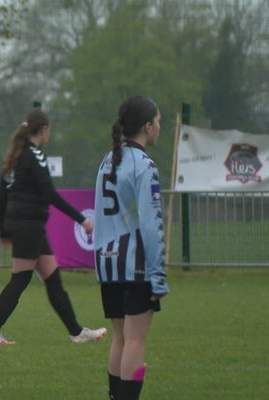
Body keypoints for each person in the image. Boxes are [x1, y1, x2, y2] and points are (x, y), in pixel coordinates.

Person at [0, 108, 107, 345]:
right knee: (20, 279)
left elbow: (1, 195)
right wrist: (81, 219)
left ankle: (76, 332)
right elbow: (49, 193)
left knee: (52, 279)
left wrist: (4, 229)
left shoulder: (15, 156)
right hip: (29, 225)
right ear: (44, 130)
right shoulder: (35, 155)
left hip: (24, 225)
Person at [93, 95, 169, 400]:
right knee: (136, 342)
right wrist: (158, 275)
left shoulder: (107, 160)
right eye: (159, 122)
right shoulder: (144, 165)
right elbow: (151, 224)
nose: (160, 128)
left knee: (120, 339)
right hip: (135, 264)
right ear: (147, 126)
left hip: (108, 263)